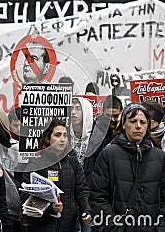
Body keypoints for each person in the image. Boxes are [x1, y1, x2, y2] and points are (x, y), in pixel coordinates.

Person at [89, 103, 165, 231]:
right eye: (133, 121)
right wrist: (115, 228)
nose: (138, 126)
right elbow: (98, 197)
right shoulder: (109, 154)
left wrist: (162, 229)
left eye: (143, 122)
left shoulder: (159, 157)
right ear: (124, 124)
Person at [21, 118, 92, 232]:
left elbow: (81, 189)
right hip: (42, 226)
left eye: (65, 135)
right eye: (57, 135)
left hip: (68, 225)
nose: (62, 139)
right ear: (48, 138)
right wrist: (49, 208)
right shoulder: (35, 162)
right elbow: (25, 196)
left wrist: (86, 209)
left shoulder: (72, 160)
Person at [84, 95, 123, 183]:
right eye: (109, 115)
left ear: (121, 112)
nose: (112, 119)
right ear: (103, 112)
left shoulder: (126, 130)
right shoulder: (95, 131)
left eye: (116, 116)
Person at [70, 97, 94, 232]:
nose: (73, 112)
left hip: (89, 198)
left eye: (78, 109)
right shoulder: (64, 136)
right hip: (69, 196)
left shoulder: (96, 137)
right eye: (71, 108)